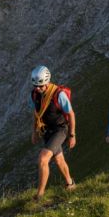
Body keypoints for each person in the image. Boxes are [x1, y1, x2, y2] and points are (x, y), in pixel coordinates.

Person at [30, 65, 76, 199]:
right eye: (35, 86)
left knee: (43, 159)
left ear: (47, 82)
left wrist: (72, 135)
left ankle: (40, 195)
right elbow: (36, 114)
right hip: (47, 131)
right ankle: (70, 183)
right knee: (59, 160)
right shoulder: (34, 94)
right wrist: (34, 132)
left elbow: (71, 114)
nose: (38, 89)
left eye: (41, 86)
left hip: (60, 129)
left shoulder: (59, 94)